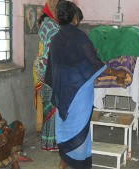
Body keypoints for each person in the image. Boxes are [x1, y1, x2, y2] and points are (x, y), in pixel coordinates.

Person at [44, 1, 106, 169]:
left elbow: (53, 68)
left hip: (62, 93)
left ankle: (64, 162)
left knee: (65, 129)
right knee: (79, 130)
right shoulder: (79, 36)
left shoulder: (55, 38)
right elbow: (93, 61)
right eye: (78, 16)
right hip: (78, 94)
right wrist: (114, 71)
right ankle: (78, 164)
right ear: (74, 17)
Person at [34, 0, 63, 151]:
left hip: (47, 66)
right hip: (48, 67)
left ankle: (49, 141)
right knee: (52, 105)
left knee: (50, 104)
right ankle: (51, 142)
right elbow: (53, 48)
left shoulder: (48, 22)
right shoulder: (50, 24)